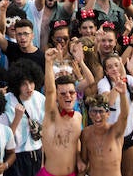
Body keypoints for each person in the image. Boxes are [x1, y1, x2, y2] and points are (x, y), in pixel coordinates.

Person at [39, 48, 81, 176]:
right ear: (56, 97)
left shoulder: (78, 116)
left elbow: (76, 141)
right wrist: (49, 63)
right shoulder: (51, 115)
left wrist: (79, 159)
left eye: (71, 92)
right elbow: (50, 91)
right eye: (63, 93)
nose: (68, 96)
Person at [80, 80, 129, 176]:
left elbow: (124, 116)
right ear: (89, 114)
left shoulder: (115, 131)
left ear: (108, 114)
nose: (97, 116)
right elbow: (84, 162)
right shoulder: (86, 133)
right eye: (94, 111)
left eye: (101, 111)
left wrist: (123, 94)